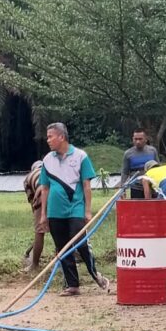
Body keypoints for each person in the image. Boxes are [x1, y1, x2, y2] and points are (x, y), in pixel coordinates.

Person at [39, 122, 111, 296]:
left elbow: (86, 185)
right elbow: (44, 188)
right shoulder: (47, 160)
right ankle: (72, 285)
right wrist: (43, 214)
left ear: (61, 137)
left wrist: (88, 211)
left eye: (50, 137)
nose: (48, 140)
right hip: (55, 211)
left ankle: (96, 275)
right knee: (62, 247)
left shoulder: (80, 156)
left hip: (75, 208)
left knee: (81, 243)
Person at [22, 160, 45, 273]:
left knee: (39, 232)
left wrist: (37, 220)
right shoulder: (50, 170)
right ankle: (62, 262)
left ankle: (34, 265)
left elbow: (33, 202)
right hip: (54, 195)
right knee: (59, 231)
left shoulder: (28, 179)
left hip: (41, 195)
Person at [120, 129, 158, 198]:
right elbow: (125, 172)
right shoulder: (128, 154)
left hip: (152, 186)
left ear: (146, 139)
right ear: (133, 139)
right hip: (136, 187)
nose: (138, 142)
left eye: (140, 139)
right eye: (136, 139)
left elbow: (158, 168)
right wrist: (122, 189)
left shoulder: (152, 151)